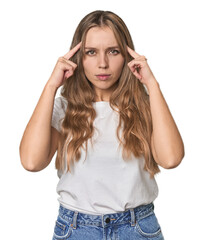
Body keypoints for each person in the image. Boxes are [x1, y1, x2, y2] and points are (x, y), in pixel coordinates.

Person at [19, 10, 184, 240]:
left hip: (137, 229)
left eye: (113, 51)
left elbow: (171, 159)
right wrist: (51, 87)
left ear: (127, 55)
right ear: (78, 57)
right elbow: (31, 161)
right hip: (77, 229)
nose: (103, 63)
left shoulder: (145, 104)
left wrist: (152, 85)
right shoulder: (64, 108)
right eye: (91, 52)